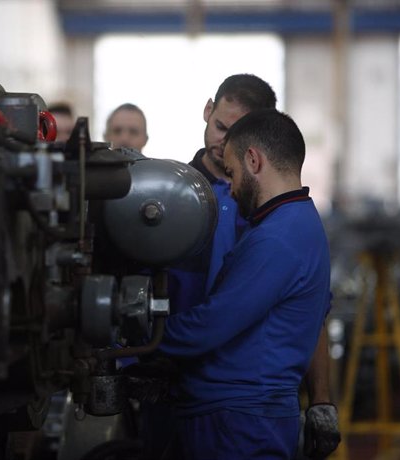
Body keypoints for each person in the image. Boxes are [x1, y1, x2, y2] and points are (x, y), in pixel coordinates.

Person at [137, 75, 339, 460]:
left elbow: (214, 322)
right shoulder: (292, 223)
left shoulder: (277, 237)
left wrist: (135, 336)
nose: (230, 187)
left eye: (231, 174)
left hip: (239, 421)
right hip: (224, 411)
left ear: (253, 159)